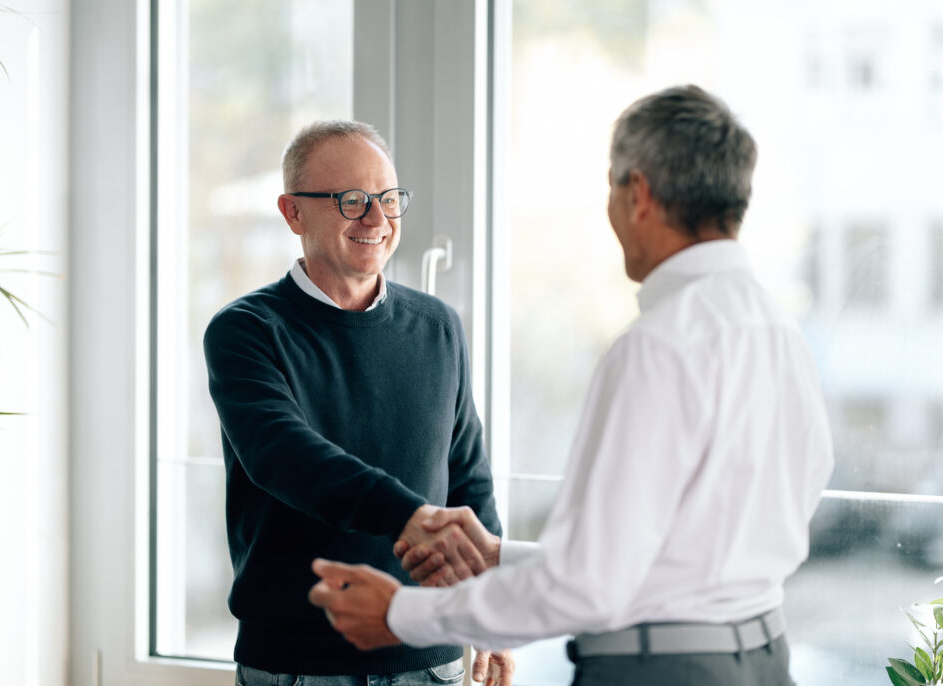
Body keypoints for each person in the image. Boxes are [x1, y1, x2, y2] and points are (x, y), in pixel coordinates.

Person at [309, 85, 835, 686]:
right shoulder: (778, 332)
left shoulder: (658, 347)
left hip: (662, 671)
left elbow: (587, 586)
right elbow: (674, 562)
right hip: (764, 658)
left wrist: (401, 613)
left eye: (611, 185)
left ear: (637, 193)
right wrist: (498, 556)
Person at [203, 120, 513, 686]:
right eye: (352, 201)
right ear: (293, 212)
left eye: (389, 199)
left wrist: (490, 613)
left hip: (432, 660)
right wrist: (411, 517)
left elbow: (468, 479)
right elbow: (286, 457)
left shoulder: (438, 326)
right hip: (300, 665)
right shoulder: (246, 331)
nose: (377, 219)